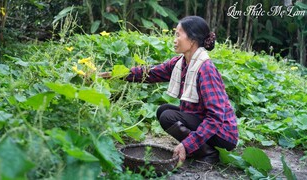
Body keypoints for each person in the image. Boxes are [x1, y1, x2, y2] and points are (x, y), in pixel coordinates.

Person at [101, 16, 238, 164]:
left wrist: (187, 144)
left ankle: (209, 154)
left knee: (168, 116)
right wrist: (113, 75)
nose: (174, 39)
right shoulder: (180, 63)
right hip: (204, 121)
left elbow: (216, 117)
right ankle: (200, 149)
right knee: (163, 110)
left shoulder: (206, 69)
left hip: (223, 134)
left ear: (192, 40)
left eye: (178, 35)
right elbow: (150, 73)